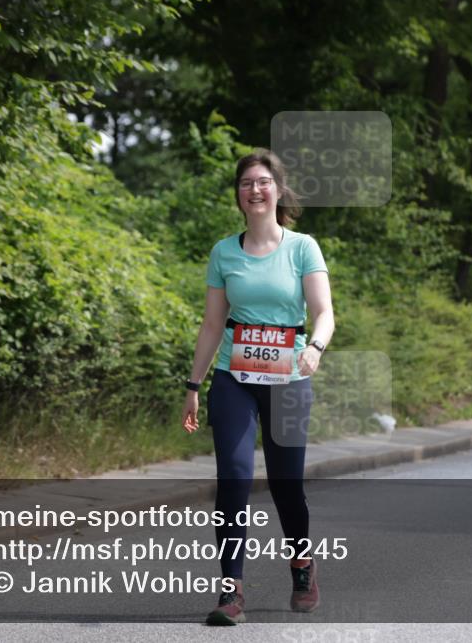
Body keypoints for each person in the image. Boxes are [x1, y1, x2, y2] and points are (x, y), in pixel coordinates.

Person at [180, 149, 335, 625]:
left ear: (278, 190)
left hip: (289, 379)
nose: (255, 189)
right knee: (233, 477)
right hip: (234, 378)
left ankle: (302, 567)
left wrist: (315, 347)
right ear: (238, 194)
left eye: (263, 181)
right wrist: (193, 384)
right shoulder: (224, 252)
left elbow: (324, 312)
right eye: (246, 183)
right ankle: (231, 591)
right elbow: (212, 324)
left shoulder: (302, 247)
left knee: (287, 484)